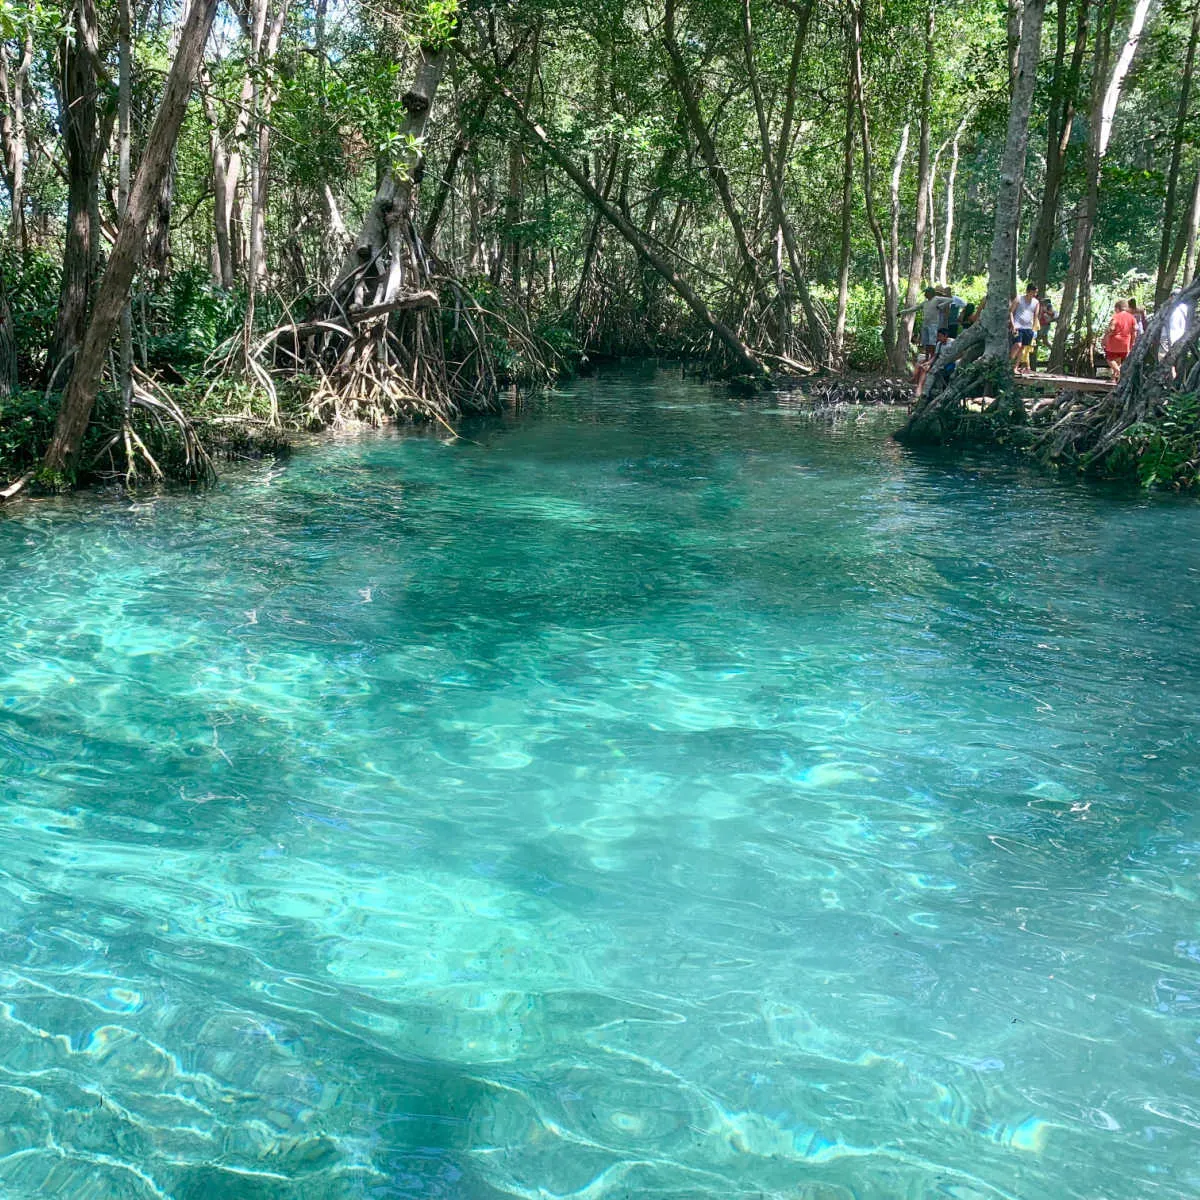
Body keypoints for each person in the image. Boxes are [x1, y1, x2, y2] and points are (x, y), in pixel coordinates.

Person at [1102, 299, 1137, 382]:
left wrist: (1105, 338)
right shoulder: (1132, 317)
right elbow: (1134, 332)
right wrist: (1132, 343)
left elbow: (1111, 328)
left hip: (1114, 342)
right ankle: (1114, 379)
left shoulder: (1116, 316)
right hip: (1126, 343)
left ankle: (1118, 371)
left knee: (1109, 358)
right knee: (1118, 361)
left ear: (1118, 308)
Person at [1009, 283, 1040, 372]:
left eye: (1036, 292)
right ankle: (1009, 363)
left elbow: (1036, 315)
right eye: (1033, 292)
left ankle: (1015, 367)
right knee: (1017, 345)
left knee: (1022, 348)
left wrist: (1034, 330)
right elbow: (1011, 312)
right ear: (1028, 291)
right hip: (1018, 326)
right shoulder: (1019, 298)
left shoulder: (1036, 302)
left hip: (1028, 328)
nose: (1034, 294)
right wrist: (1013, 325)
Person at [1034, 296, 1056, 370]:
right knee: (1044, 341)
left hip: (1044, 325)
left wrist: (1045, 311)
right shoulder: (1039, 305)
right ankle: (1053, 349)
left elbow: (1052, 314)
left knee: (1041, 339)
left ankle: (1054, 350)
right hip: (1041, 325)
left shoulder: (1048, 306)